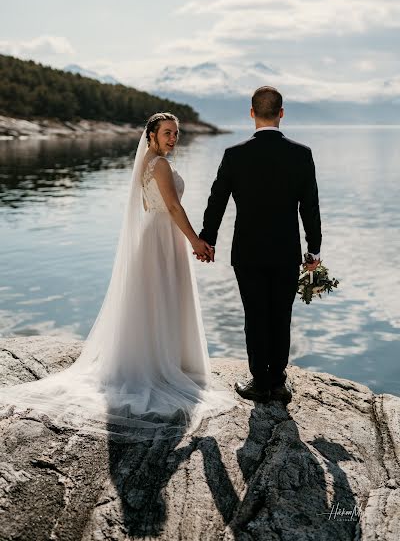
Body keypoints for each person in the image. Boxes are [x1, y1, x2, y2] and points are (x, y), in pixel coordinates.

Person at [0, 112, 239, 442]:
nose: (173, 138)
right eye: (167, 133)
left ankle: (156, 356)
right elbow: (171, 207)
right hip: (163, 237)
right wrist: (196, 240)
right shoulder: (161, 166)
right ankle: (162, 362)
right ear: (151, 136)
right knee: (163, 297)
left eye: (176, 133)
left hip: (152, 236)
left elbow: (152, 205)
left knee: (154, 299)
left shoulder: (146, 164)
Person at [198, 86, 322, 404]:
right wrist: (314, 249)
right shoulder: (301, 154)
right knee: (281, 315)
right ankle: (279, 382)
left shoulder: (234, 154)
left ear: (251, 113)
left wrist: (207, 239)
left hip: (248, 251)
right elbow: (310, 205)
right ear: (281, 113)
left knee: (255, 315)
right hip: (285, 251)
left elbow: (217, 201)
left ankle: (260, 381)